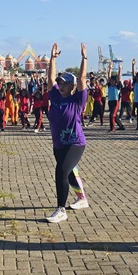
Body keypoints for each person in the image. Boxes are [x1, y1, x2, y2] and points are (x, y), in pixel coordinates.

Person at [46, 42, 88, 223]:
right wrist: (52, 59)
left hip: (75, 142)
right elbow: (50, 77)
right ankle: (82, 199)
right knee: (70, 172)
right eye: (60, 83)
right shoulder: (55, 97)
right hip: (58, 144)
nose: (60, 86)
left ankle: (61, 209)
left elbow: (82, 79)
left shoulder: (77, 99)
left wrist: (84, 58)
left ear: (72, 86)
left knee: (61, 171)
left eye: (64, 84)